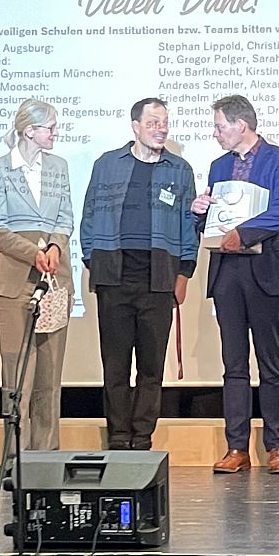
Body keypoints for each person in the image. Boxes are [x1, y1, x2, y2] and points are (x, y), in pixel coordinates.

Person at [191, 95, 279, 475]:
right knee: (234, 363)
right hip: (228, 270)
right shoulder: (219, 166)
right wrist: (199, 213)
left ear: (241, 125)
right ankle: (237, 447)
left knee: (270, 361)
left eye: (220, 126)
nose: (216, 133)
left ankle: (276, 447)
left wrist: (244, 233)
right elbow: (214, 223)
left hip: (266, 267)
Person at [81, 97, 197, 451]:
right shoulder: (107, 164)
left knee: (151, 366)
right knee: (115, 365)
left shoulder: (179, 169)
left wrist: (184, 272)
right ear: (135, 126)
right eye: (152, 123)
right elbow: (89, 215)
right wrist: (92, 260)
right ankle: (118, 435)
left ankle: (143, 436)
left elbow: (188, 225)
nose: (160, 129)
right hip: (114, 276)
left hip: (158, 277)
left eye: (164, 123)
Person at [0, 98, 74, 452]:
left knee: (50, 372)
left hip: (54, 276)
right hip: (13, 276)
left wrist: (54, 248)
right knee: (17, 368)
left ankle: (47, 455)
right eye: (50, 127)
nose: (55, 133)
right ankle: (15, 456)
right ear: (29, 131)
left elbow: (65, 217)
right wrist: (32, 253)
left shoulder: (59, 166)